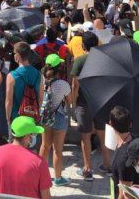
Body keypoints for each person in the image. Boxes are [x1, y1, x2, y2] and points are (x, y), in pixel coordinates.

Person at [70, 30, 106, 179]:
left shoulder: (80, 60)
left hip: (84, 102)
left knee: (85, 137)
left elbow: (75, 85)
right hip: (101, 102)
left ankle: (87, 169)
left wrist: (73, 101)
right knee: (102, 136)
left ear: (83, 45)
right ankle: (108, 165)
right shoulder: (104, 59)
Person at [0, 116, 52, 199]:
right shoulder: (39, 162)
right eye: (33, 134)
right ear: (26, 136)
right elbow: (46, 196)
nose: (34, 137)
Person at [38, 54, 71, 186]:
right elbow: (70, 102)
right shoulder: (63, 84)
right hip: (59, 117)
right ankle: (58, 178)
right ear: (59, 69)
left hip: (45, 116)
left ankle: (40, 175)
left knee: (44, 146)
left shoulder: (40, 81)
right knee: (57, 150)